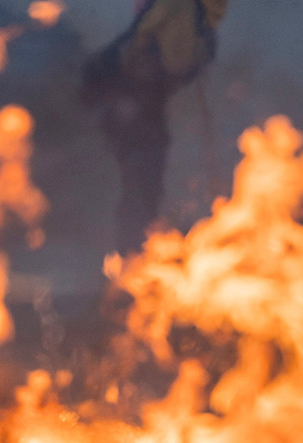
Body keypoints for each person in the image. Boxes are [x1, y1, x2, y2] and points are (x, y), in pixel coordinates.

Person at [81, 0, 228, 254]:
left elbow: (172, 60)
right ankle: (131, 255)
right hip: (135, 105)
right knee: (142, 178)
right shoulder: (184, 8)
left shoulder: (180, 7)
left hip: (135, 104)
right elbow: (176, 64)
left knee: (139, 178)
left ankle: (131, 252)